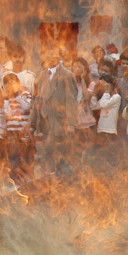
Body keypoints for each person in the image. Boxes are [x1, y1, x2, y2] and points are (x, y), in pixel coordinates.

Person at [30, 45, 78, 176]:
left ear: (60, 56)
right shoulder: (42, 75)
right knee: (47, 154)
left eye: (55, 53)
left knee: (59, 153)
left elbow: (71, 100)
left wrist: (71, 124)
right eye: (49, 53)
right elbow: (37, 100)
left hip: (60, 121)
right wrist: (31, 123)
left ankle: (63, 182)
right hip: (45, 121)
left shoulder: (67, 75)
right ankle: (49, 182)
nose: (52, 56)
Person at [2, 72, 33, 181]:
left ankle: (27, 179)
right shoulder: (6, 99)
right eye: (7, 83)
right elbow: (7, 114)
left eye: (12, 82)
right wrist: (9, 96)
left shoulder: (25, 94)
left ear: (18, 83)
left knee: (25, 156)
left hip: (24, 131)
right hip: (12, 132)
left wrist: (17, 96)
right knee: (13, 156)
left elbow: (26, 107)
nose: (10, 85)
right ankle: (15, 180)